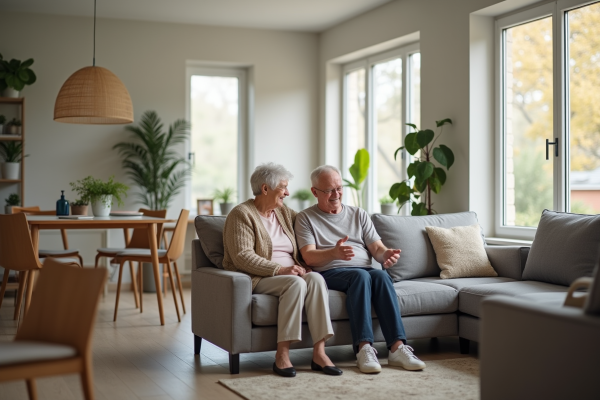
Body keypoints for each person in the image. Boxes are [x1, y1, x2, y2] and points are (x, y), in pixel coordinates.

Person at [295, 165, 426, 374]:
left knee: (381, 276)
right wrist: (334, 253)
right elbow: (308, 255)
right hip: (329, 273)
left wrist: (386, 255)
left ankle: (397, 348)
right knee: (360, 276)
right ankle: (364, 348)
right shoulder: (305, 218)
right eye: (329, 190)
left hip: (362, 270)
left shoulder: (358, 214)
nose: (336, 194)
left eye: (339, 188)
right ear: (314, 192)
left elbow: (377, 248)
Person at [222, 163, 342, 378]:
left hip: (290, 271)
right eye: (283, 187)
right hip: (259, 276)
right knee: (295, 282)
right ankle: (282, 354)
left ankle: (319, 352)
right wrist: (280, 269)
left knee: (314, 279)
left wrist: (337, 214)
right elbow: (242, 257)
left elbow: (312, 224)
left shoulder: (285, 213)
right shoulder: (241, 214)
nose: (288, 192)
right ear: (265, 188)